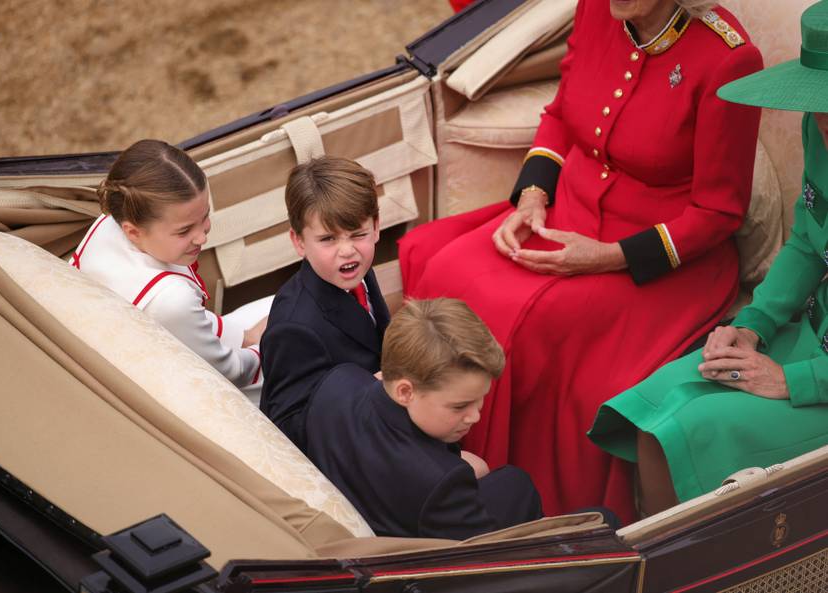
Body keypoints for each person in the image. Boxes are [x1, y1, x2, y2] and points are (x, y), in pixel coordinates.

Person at [398, 0, 763, 524]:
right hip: (567, 208)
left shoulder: (729, 57)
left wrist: (609, 256)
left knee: (530, 323)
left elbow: (718, 212)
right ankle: (431, 464)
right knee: (444, 267)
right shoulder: (598, 8)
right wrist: (532, 196)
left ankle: (515, 508)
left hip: (659, 257)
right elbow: (560, 115)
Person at [589, 0, 828, 516]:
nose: (824, 122)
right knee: (648, 409)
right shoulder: (821, 127)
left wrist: (793, 381)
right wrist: (754, 323)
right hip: (806, 333)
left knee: (688, 430)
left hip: (820, 383)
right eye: (819, 104)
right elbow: (810, 240)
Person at [305, 298, 543, 539]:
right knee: (517, 483)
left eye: (480, 398)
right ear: (405, 392)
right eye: (460, 406)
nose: (475, 416)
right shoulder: (440, 485)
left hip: (371, 496)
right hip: (415, 540)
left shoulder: (338, 381)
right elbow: (481, 551)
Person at [71, 139, 263, 388]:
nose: (202, 237)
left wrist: (246, 336)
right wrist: (267, 346)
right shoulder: (171, 299)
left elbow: (179, 323)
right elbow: (231, 374)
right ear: (134, 232)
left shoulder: (105, 226)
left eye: (205, 216)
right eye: (184, 231)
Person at [260, 156, 390, 452]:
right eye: (328, 239)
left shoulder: (358, 270)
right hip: (349, 447)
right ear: (299, 242)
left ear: (376, 227)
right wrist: (372, 393)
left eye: (358, 234)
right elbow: (288, 426)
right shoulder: (295, 326)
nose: (347, 251)